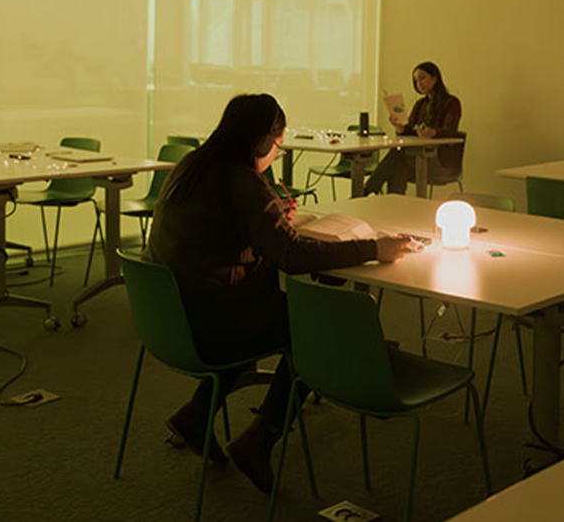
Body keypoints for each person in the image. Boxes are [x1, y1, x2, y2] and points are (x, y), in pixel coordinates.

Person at [146, 93, 416, 493]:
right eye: (277, 146)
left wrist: (267, 219)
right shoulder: (241, 181)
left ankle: (197, 415)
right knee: (317, 328)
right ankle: (261, 438)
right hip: (213, 320)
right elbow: (290, 255)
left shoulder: (193, 164)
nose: (276, 154)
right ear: (260, 140)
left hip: (171, 317)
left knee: (276, 312)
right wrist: (375, 248)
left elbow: (214, 235)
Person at [364, 61, 462, 195]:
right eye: (416, 81)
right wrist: (399, 127)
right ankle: (394, 207)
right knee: (398, 166)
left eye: (422, 78)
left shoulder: (451, 103)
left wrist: (432, 133)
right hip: (416, 158)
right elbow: (409, 129)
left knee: (397, 155)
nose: (419, 83)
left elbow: (451, 131)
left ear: (435, 78)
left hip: (440, 161)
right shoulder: (420, 104)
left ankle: (368, 189)